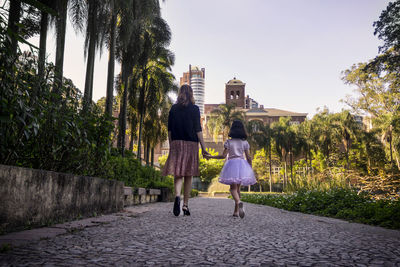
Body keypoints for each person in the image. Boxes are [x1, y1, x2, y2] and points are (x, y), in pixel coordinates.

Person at [162, 84, 209, 216]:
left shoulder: (173, 108)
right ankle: (185, 205)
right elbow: (198, 129)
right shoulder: (195, 109)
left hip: (176, 143)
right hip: (191, 144)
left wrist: (172, 145)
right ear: (191, 94)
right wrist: (204, 147)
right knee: (188, 175)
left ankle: (177, 196)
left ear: (180, 93)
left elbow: (169, 129)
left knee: (178, 174)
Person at [205, 120, 256, 218]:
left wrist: (211, 156)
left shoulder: (229, 142)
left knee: (232, 189)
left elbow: (223, 156)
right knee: (238, 189)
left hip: (232, 164)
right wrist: (250, 168)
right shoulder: (244, 142)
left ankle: (238, 202)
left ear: (232, 130)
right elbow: (248, 157)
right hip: (242, 164)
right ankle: (236, 211)